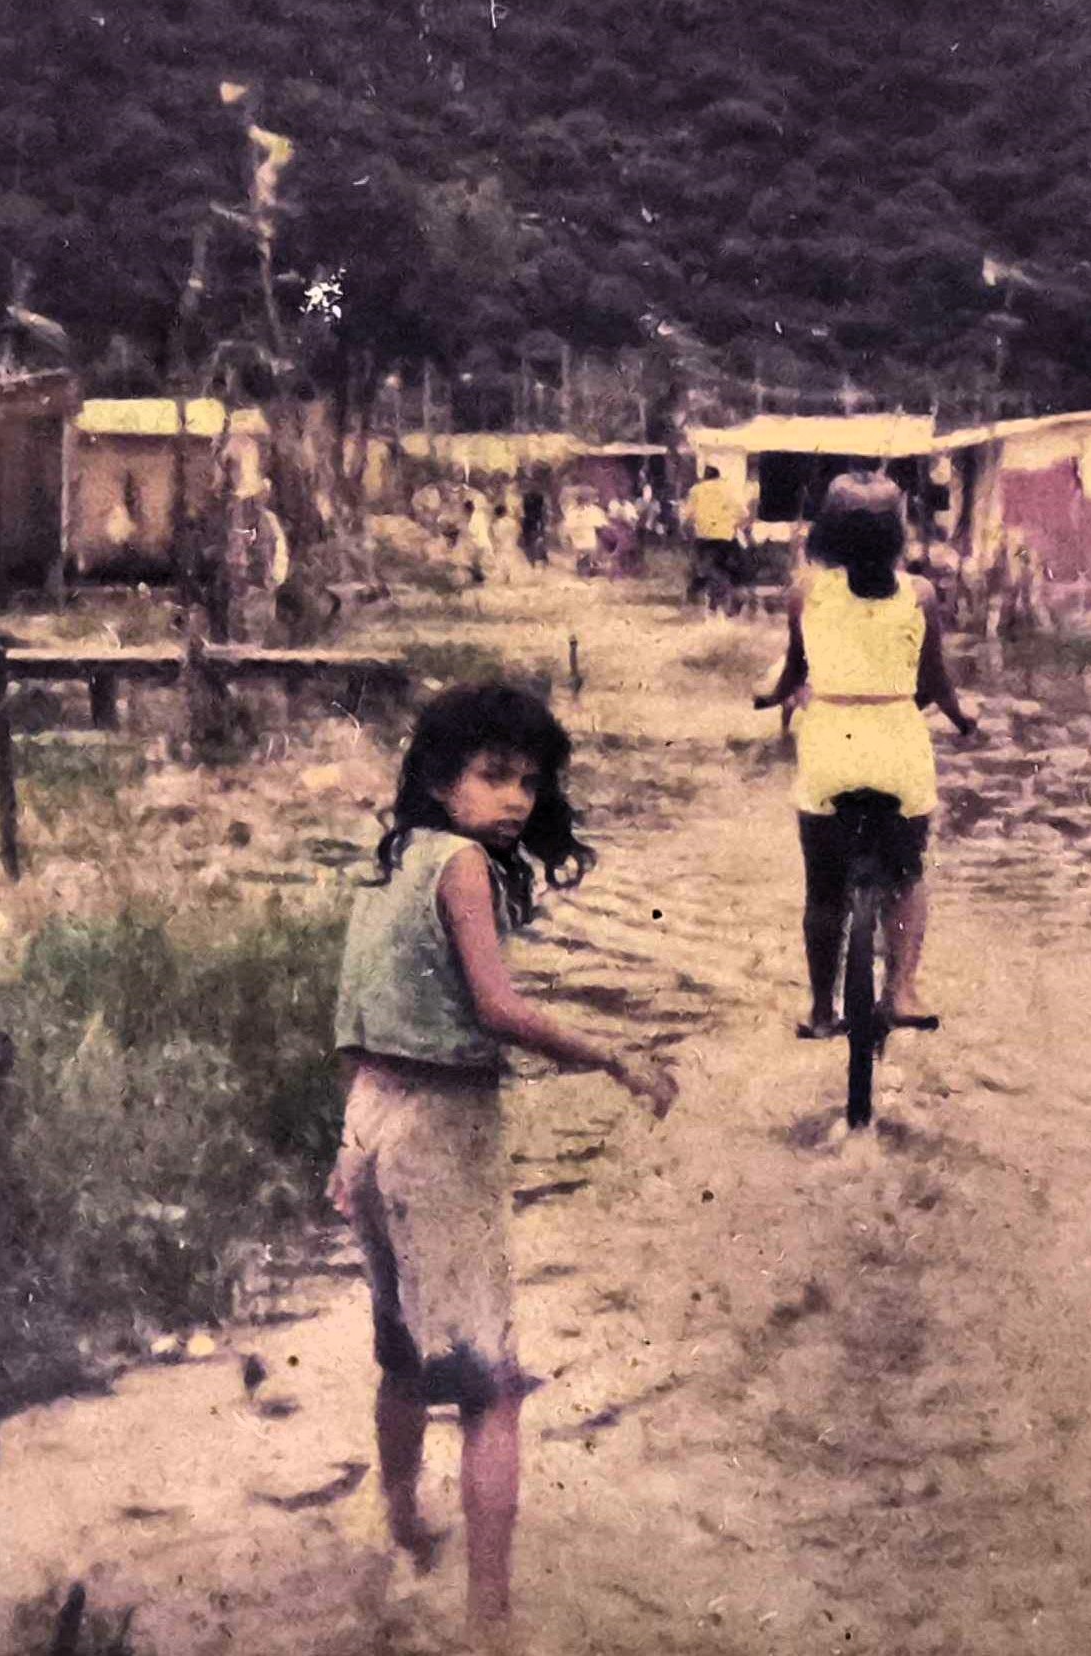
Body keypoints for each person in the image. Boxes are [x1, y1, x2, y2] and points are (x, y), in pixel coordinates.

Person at [330, 684, 679, 1639]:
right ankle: (492, 1619)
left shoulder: (393, 860)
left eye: (529, 781)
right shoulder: (463, 871)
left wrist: (342, 1144)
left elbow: (360, 1012)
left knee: (401, 1360)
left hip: (371, 1122)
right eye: (494, 777)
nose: (517, 800)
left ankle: (400, 1536)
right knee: (492, 1388)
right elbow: (497, 1009)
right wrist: (612, 1053)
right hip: (442, 1132)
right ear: (442, 782)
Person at [754, 473, 980, 1037]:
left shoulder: (806, 591)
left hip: (830, 749)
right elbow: (936, 683)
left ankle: (820, 1010)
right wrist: (961, 719)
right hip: (898, 750)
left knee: (823, 890)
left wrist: (770, 696)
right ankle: (901, 990)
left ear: (828, 532)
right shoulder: (921, 595)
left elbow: (793, 672)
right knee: (907, 874)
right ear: (896, 534)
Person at [682, 465, 746, 606]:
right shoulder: (729, 490)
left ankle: (697, 594)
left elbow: (686, 515)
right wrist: (735, 525)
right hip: (726, 537)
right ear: (718, 476)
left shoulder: (696, 490)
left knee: (701, 568)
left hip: (704, 537)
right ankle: (729, 597)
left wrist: (686, 529)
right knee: (729, 569)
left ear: (705, 477)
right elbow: (743, 513)